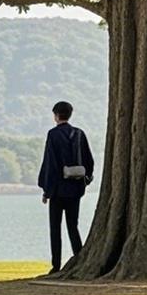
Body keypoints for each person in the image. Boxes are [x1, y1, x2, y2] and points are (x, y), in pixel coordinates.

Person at [37, 100, 94, 275]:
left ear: (56, 115)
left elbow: (50, 164)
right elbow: (88, 160)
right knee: (73, 225)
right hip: (75, 189)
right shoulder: (79, 134)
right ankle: (79, 257)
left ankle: (56, 265)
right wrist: (86, 180)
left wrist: (47, 190)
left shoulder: (53, 135)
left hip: (57, 190)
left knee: (55, 228)